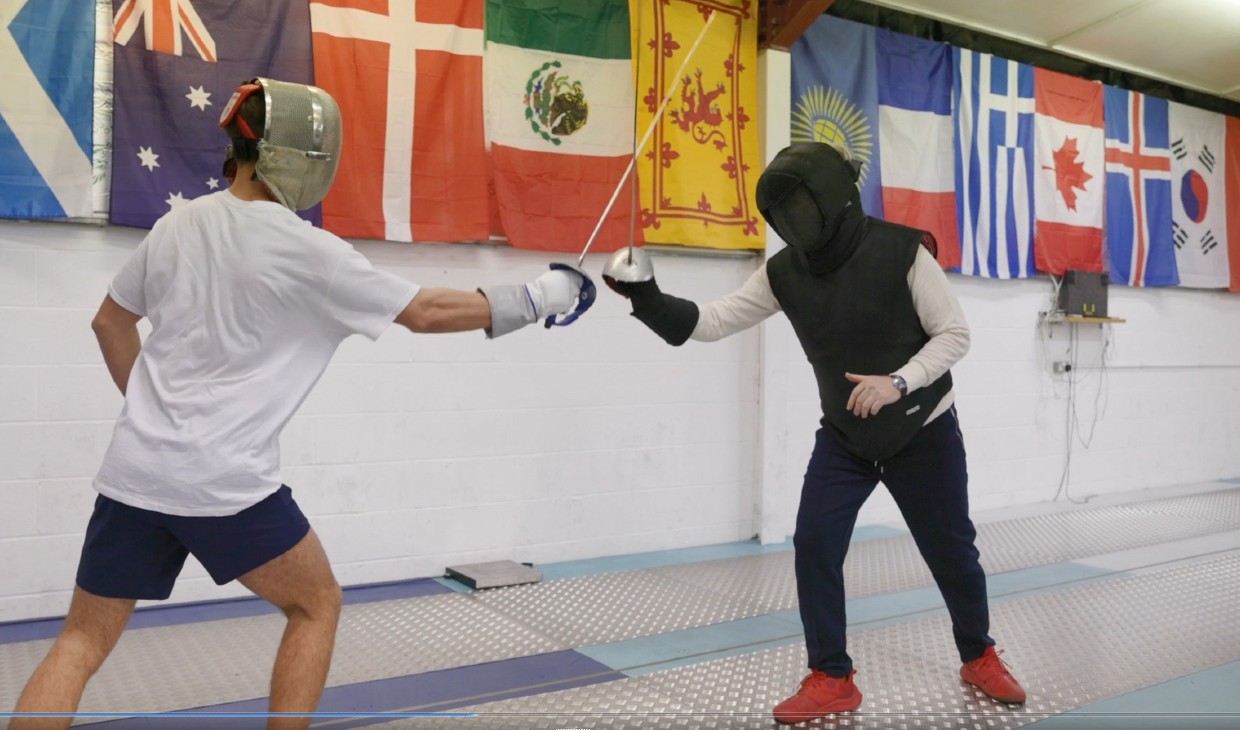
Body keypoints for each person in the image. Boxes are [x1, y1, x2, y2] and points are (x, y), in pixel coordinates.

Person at [10, 78, 588, 730]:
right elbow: (425, 313)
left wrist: (153, 414)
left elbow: (109, 323)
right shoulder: (309, 251)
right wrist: (542, 297)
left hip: (133, 473)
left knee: (80, 642)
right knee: (316, 604)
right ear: (304, 156)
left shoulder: (177, 224)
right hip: (227, 484)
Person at [604, 141, 1026, 724]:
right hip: (846, 438)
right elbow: (712, 321)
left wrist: (898, 382)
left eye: (801, 208)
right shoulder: (784, 272)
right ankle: (832, 675)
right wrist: (646, 297)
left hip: (922, 430)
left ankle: (979, 655)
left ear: (834, 200)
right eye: (784, 215)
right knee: (815, 545)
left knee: (951, 550)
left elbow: (954, 335)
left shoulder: (903, 251)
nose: (793, 224)